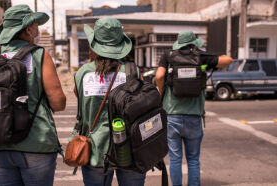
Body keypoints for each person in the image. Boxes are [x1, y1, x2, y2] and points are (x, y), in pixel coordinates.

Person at [0, 5, 66, 186]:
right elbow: (58, 103)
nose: (38, 28)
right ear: (28, 28)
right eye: (36, 24)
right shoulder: (39, 54)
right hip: (36, 143)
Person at [74, 17, 146, 186]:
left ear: (95, 44)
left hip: (96, 151)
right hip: (130, 150)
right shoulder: (132, 71)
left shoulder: (82, 73)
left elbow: (82, 107)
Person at [155, 31, 233, 186]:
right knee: (193, 159)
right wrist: (208, 57)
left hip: (172, 116)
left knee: (175, 159)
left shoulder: (168, 56)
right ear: (193, 44)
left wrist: (160, 91)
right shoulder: (200, 57)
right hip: (194, 116)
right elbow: (228, 60)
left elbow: (159, 76)